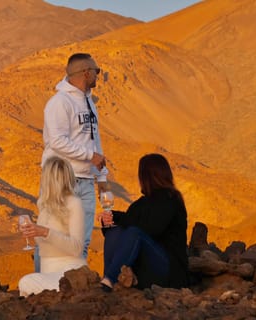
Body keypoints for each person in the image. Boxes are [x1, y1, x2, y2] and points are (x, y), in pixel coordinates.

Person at [41, 52, 109, 261]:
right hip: (62, 179)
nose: (98, 75)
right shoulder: (60, 102)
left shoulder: (89, 103)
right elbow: (57, 141)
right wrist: (90, 156)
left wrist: (102, 177)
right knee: (50, 236)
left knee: (82, 241)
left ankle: (78, 284)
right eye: (96, 71)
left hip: (87, 180)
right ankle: (42, 287)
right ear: (86, 73)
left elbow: (93, 139)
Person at [99, 153, 189, 290]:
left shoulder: (170, 200)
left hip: (169, 270)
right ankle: (108, 278)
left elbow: (151, 228)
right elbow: (128, 222)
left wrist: (118, 218)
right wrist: (109, 221)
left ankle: (111, 280)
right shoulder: (142, 203)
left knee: (134, 233)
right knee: (115, 232)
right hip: (147, 267)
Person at [17, 157, 86, 296]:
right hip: (47, 271)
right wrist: (33, 232)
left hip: (70, 272)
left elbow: (77, 247)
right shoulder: (45, 205)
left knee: (25, 282)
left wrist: (45, 232)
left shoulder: (74, 203)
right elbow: (46, 243)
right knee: (27, 288)